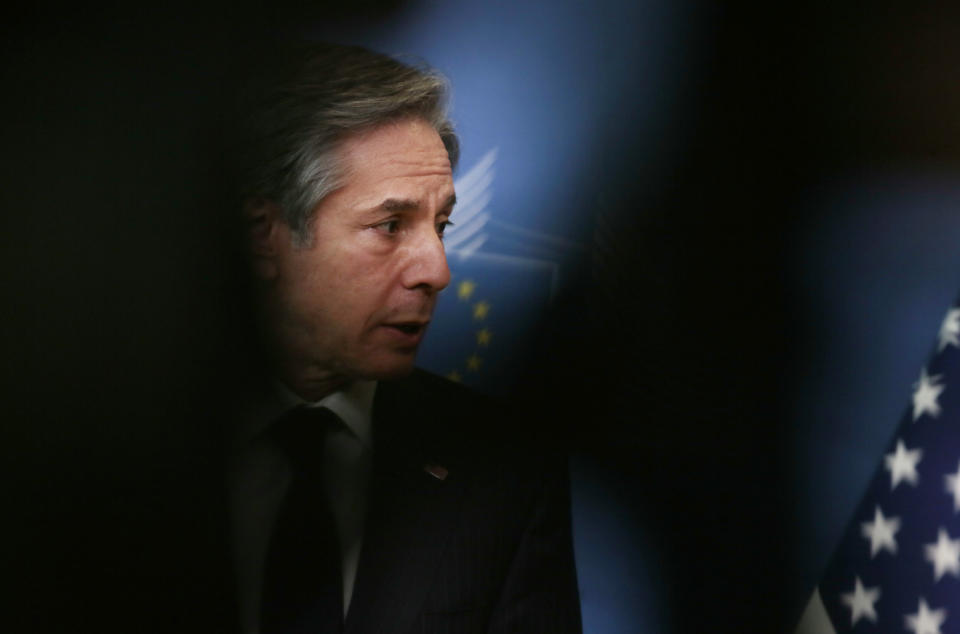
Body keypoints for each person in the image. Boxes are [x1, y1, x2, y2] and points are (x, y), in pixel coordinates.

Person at [226, 43, 582, 633]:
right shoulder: (120, 446)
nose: (437, 270)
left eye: (441, 226)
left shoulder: (505, 470)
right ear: (266, 235)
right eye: (390, 226)